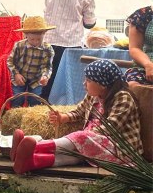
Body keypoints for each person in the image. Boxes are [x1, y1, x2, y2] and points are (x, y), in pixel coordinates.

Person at [12, 59, 142, 174]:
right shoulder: (93, 95)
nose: (84, 83)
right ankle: (31, 162)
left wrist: (84, 138)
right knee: (73, 156)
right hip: (98, 144)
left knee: (80, 137)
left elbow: (109, 129)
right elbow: (79, 112)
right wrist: (63, 117)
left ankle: (29, 148)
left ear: (103, 84)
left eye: (89, 80)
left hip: (120, 151)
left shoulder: (123, 98)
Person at [41, 0, 98, 100]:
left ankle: (44, 104)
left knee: (48, 78)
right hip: (72, 44)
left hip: (50, 41)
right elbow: (89, 24)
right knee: (70, 80)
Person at [7, 16, 55, 106]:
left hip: (37, 79)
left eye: (39, 39)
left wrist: (45, 76)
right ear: (26, 35)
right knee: (18, 98)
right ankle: (15, 116)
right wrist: (16, 74)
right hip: (19, 76)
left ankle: (31, 116)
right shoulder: (19, 46)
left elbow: (47, 66)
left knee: (35, 100)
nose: (36, 42)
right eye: (32, 39)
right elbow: (10, 61)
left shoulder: (48, 49)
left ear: (44, 34)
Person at [125, 4, 153, 86]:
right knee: (133, 85)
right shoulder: (142, 16)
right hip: (146, 66)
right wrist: (148, 65)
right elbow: (135, 48)